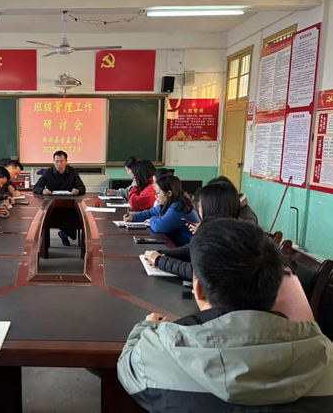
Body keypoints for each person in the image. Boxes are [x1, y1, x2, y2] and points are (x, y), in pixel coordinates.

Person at [118, 219, 332, 412]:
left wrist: (146, 328)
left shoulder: (156, 353)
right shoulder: (326, 354)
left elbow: (127, 368)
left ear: (198, 290)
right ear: (275, 289)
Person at [144, 182, 313, 322]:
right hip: (288, 334)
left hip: (283, 334)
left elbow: (200, 271)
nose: (197, 210)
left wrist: (161, 260)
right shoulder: (237, 233)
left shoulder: (235, 242)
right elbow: (193, 252)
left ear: (210, 208)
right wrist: (161, 254)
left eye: (199, 206)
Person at [125, 174, 200, 247]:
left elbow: (159, 226)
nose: (155, 196)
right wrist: (133, 217)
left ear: (169, 193)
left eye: (157, 193)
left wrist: (152, 219)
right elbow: (151, 212)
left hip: (188, 250)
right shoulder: (168, 203)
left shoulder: (179, 207)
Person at [33, 151, 86, 246]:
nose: (59, 164)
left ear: (66, 161)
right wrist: (42, 190)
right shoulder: (48, 172)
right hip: (53, 205)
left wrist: (77, 190)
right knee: (53, 218)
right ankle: (66, 233)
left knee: (78, 217)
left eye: (61, 161)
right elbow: (36, 187)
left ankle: (64, 233)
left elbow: (82, 187)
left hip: (70, 205)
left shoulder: (72, 172)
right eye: (56, 161)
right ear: (53, 161)